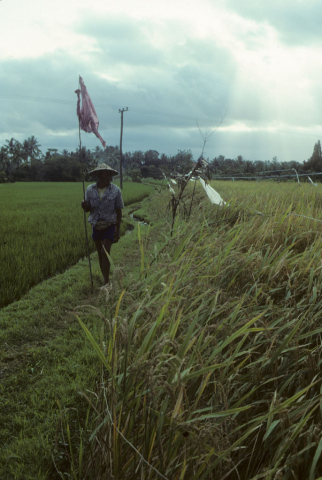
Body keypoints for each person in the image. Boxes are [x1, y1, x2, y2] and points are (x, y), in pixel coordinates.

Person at [81, 164, 124, 285]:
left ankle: (106, 281)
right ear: (99, 176)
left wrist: (118, 229)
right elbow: (88, 208)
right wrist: (85, 206)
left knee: (105, 252)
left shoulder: (115, 190)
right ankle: (104, 275)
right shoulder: (90, 189)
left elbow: (119, 210)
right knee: (100, 252)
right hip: (95, 224)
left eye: (110, 175)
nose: (109, 177)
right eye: (106, 175)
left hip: (110, 224)